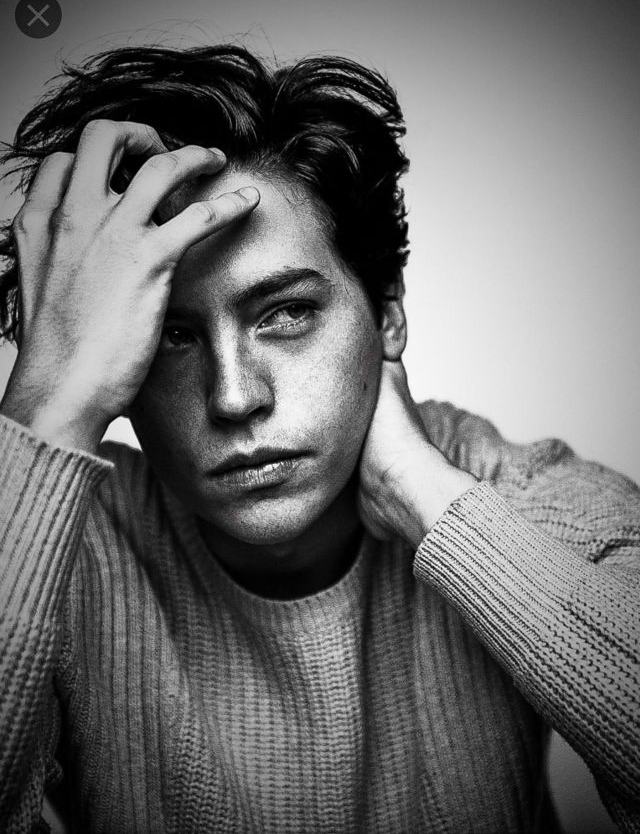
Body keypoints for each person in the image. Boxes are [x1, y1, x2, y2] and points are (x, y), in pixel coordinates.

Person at [0, 43, 638, 834]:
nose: (235, 397)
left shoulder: (510, 490)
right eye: (171, 336)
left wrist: (424, 495)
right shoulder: (60, 545)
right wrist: (48, 405)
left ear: (388, 310)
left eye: (287, 312)